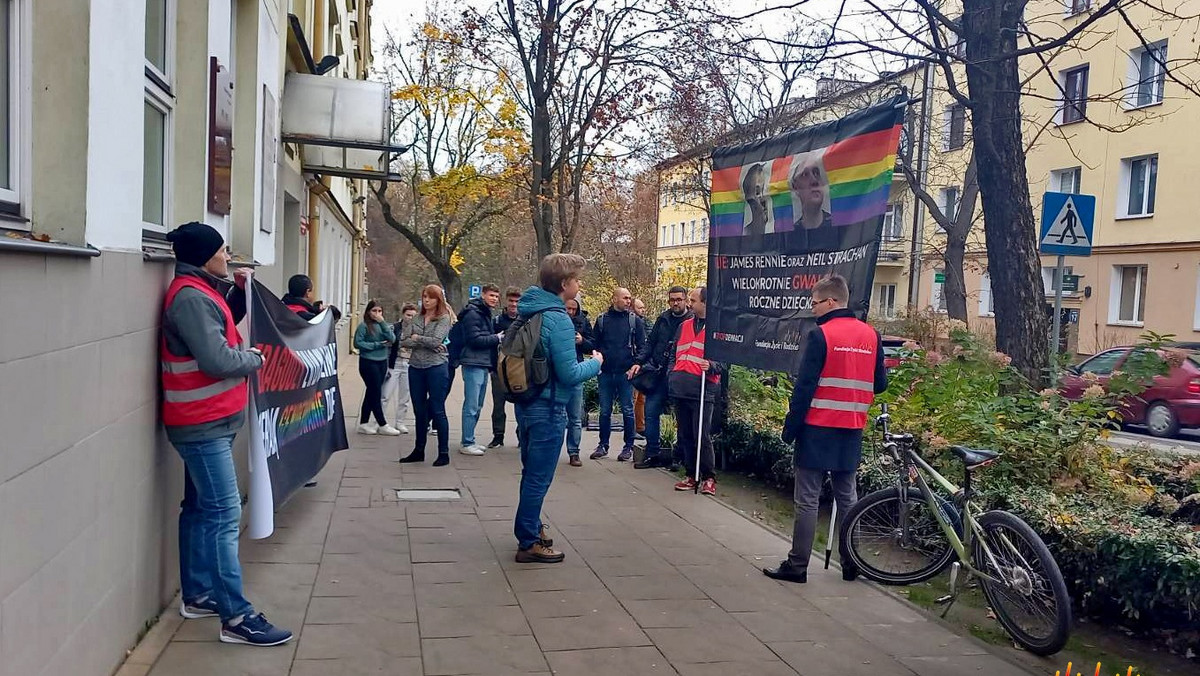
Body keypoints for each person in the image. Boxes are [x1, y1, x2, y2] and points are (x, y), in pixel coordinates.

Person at [160, 221, 292, 646]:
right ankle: (236, 618)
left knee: (200, 509)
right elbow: (218, 358)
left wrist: (237, 292)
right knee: (223, 514)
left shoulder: (201, 293)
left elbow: (220, 325)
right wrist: (253, 357)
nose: (227, 256)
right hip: (202, 425)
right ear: (203, 256)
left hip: (207, 419)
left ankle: (198, 595)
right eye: (221, 251)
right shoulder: (191, 298)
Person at [764, 274, 888, 584]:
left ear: (831, 301)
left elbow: (805, 388)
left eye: (815, 303)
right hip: (852, 428)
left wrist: (790, 428)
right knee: (847, 497)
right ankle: (852, 564)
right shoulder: (871, 335)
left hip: (817, 428)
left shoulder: (821, 336)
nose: (813, 308)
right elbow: (881, 384)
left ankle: (797, 566)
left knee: (807, 498)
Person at [513, 254, 602, 563]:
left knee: (530, 473)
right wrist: (596, 363)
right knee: (539, 478)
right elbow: (569, 374)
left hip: (525, 403)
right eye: (577, 279)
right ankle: (528, 541)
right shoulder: (558, 318)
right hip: (549, 407)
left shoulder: (527, 310)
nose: (579, 284)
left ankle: (532, 528)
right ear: (564, 284)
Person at [667, 287, 723, 496]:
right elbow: (674, 353)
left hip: (702, 389)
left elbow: (724, 361)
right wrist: (671, 374)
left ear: (705, 303)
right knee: (685, 435)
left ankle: (709, 477)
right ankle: (691, 474)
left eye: (693, 300)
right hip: (681, 387)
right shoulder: (683, 326)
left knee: (702, 436)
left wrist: (713, 366)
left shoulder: (716, 329)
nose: (690, 304)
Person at [628, 286, 692, 469]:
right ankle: (652, 453)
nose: (675, 303)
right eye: (672, 299)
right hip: (659, 373)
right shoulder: (663, 319)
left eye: (679, 299)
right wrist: (639, 362)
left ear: (685, 300)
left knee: (681, 417)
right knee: (650, 412)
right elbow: (651, 343)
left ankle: (679, 458)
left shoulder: (690, 321)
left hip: (680, 375)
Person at [398, 285, 455, 466]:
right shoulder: (417, 317)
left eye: (431, 297)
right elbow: (403, 340)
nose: (427, 300)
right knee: (419, 410)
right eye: (424, 297)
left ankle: (443, 452)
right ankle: (419, 449)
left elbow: (437, 341)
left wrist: (417, 338)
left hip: (436, 367)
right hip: (416, 367)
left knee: (437, 409)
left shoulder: (444, 318)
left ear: (438, 300)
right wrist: (420, 340)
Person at [589, 287, 646, 461]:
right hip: (605, 372)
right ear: (615, 299)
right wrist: (596, 362)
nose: (629, 301)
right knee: (605, 411)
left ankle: (628, 446)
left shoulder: (634, 321)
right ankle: (603, 445)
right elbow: (594, 344)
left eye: (630, 298)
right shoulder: (602, 321)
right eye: (625, 298)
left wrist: (636, 364)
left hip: (625, 373)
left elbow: (643, 347)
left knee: (628, 411)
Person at [457, 284, 502, 456]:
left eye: (497, 297)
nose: (494, 299)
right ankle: (466, 441)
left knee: (478, 404)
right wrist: (496, 338)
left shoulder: (483, 312)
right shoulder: (473, 313)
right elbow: (474, 339)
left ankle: (470, 439)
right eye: (491, 295)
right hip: (472, 361)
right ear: (483, 294)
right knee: (471, 405)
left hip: (482, 363)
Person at [354, 301, 400, 436]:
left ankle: (363, 423)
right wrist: (376, 345)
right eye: (374, 311)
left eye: (380, 311)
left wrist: (383, 322)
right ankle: (382, 423)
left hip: (382, 361)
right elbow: (357, 343)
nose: (377, 314)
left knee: (371, 391)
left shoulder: (383, 325)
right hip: (368, 362)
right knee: (375, 392)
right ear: (368, 312)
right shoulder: (364, 326)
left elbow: (392, 338)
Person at [488, 287, 522, 448]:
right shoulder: (496, 321)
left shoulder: (525, 321)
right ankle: (498, 436)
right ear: (506, 301)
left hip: (519, 370)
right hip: (499, 369)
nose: (514, 304)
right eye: (511, 301)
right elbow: (490, 342)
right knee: (498, 405)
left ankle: (521, 435)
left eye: (517, 301)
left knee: (521, 405)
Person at [565, 296, 596, 467]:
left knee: (575, 416)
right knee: (557, 415)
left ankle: (574, 452)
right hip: (557, 371)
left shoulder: (583, 322)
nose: (570, 312)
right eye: (567, 309)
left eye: (573, 309)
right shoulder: (556, 321)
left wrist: (582, 341)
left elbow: (592, 345)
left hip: (575, 367)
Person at [382, 303, 418, 434]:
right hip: (395, 362)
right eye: (408, 315)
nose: (410, 318)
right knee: (386, 394)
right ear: (403, 315)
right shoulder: (395, 328)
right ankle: (381, 421)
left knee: (405, 395)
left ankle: (400, 422)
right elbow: (388, 345)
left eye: (413, 316)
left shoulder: (417, 329)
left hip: (409, 364)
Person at [789, 154, 832, 231]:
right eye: (805, 175)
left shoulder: (842, 229)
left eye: (816, 173)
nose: (814, 181)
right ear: (795, 188)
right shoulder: (790, 235)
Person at [631, 297, 648, 440]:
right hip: (633, 364)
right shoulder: (631, 323)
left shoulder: (645, 323)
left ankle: (641, 427)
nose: (643, 310)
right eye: (639, 308)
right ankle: (632, 428)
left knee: (642, 398)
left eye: (643, 307)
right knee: (633, 398)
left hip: (645, 365)